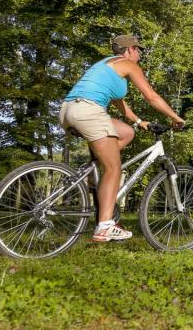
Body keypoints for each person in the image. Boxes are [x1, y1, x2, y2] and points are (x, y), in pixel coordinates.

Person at [59, 34, 185, 243]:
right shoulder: (127, 64)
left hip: (68, 111)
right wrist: (175, 117)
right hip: (90, 111)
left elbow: (118, 102)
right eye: (139, 50)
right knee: (114, 168)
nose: (140, 55)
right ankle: (104, 226)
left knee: (127, 132)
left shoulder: (106, 65)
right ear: (129, 50)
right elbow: (151, 96)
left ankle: (95, 171)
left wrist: (138, 121)